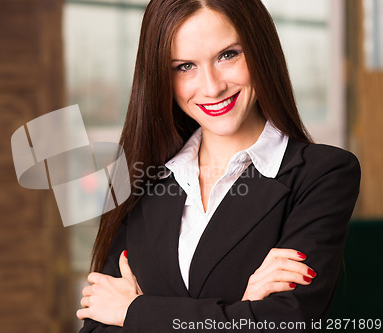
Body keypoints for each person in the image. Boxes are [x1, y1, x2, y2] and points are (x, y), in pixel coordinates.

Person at [77, 0, 360, 332]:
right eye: (184, 66)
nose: (211, 87)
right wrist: (242, 308)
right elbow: (97, 324)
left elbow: (283, 322)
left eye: (228, 55)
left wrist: (133, 311)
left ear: (260, 51)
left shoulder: (322, 174)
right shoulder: (144, 178)